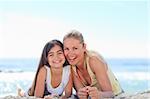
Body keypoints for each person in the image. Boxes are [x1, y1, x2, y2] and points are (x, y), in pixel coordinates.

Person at [63, 30, 123, 99]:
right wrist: (81, 94)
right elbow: (81, 93)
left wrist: (99, 94)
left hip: (117, 95)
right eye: (67, 49)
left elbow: (110, 94)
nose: (70, 53)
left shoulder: (94, 60)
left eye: (75, 48)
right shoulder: (71, 66)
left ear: (84, 47)